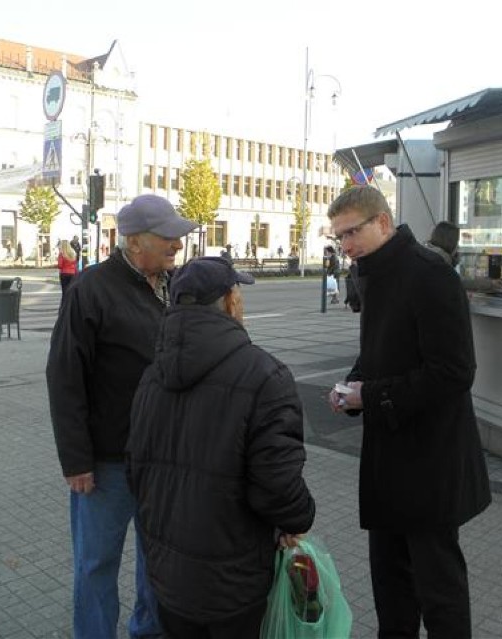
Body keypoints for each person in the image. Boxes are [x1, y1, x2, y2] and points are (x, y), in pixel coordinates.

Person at [326, 186, 491, 638]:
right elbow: (383, 351)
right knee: (391, 587)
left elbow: (455, 373)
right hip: (388, 461)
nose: (344, 246)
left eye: (351, 233)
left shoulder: (430, 274)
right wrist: (353, 384)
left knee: (439, 592)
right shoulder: (371, 273)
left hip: (431, 463)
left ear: (382, 222)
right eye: (338, 236)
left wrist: (372, 395)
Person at [126, 256, 315, 638]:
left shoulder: (151, 376)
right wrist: (298, 518)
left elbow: (135, 470)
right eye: (238, 293)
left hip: (167, 578)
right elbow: (277, 484)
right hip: (234, 583)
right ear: (230, 302)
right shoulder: (265, 376)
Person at [46, 193, 198, 639]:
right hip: (106, 463)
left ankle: (147, 633)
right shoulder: (91, 289)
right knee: (96, 566)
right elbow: (64, 375)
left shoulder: (170, 285)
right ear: (134, 243)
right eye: (168, 237)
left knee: (156, 561)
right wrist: (76, 460)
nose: (177, 245)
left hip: (159, 460)